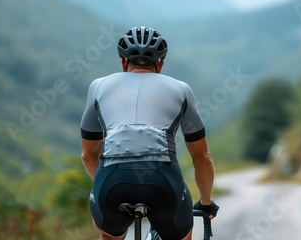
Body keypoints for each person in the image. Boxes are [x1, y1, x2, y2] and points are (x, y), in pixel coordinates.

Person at [80, 26, 219, 240]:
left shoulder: (98, 86)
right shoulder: (182, 89)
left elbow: (88, 155)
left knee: (109, 236)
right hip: (163, 183)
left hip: (111, 184)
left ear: (123, 62)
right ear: (160, 64)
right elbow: (202, 157)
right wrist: (206, 202)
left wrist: (106, 184)